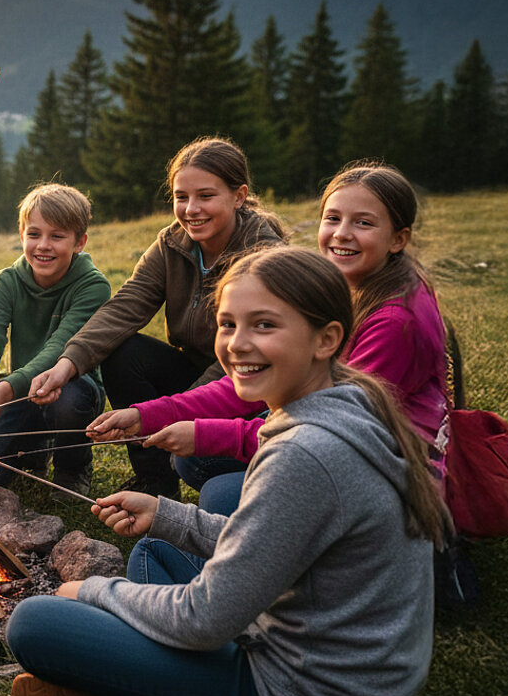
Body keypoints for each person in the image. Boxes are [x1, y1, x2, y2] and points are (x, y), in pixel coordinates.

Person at [5, 246, 447, 696]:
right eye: (228, 324)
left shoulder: (304, 453)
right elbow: (273, 536)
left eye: (264, 325)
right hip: (331, 677)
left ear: (326, 339)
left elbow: (205, 618)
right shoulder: (347, 406)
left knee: (34, 624)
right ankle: (163, 695)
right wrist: (170, 515)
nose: (238, 344)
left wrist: (95, 592)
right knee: (156, 549)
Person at [89, 162, 449, 515]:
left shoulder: (395, 322)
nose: (341, 234)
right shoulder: (342, 289)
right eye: (333, 218)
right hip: (334, 444)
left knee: (218, 495)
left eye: (364, 223)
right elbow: (259, 382)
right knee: (197, 463)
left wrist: (206, 434)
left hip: (383, 475)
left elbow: (327, 431)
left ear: (398, 239)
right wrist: (148, 415)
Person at [30, 137, 286, 498]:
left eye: (205, 196)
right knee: (125, 352)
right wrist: (67, 364)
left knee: (198, 457)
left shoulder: (265, 258)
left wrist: (177, 414)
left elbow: (249, 360)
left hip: (245, 385)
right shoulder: (172, 244)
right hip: (193, 370)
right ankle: (155, 481)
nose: (191, 209)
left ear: (239, 196)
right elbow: (125, 307)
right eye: (182, 197)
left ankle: (186, 462)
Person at [0, 183, 111, 494]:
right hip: (21, 392)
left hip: (73, 388)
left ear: (80, 242)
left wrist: (4, 389)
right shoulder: (7, 282)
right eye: (34, 234)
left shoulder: (93, 286)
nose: (43, 245)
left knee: (70, 401)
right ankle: (29, 451)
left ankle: (73, 464)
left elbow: (58, 349)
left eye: (57, 236)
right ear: (22, 235)